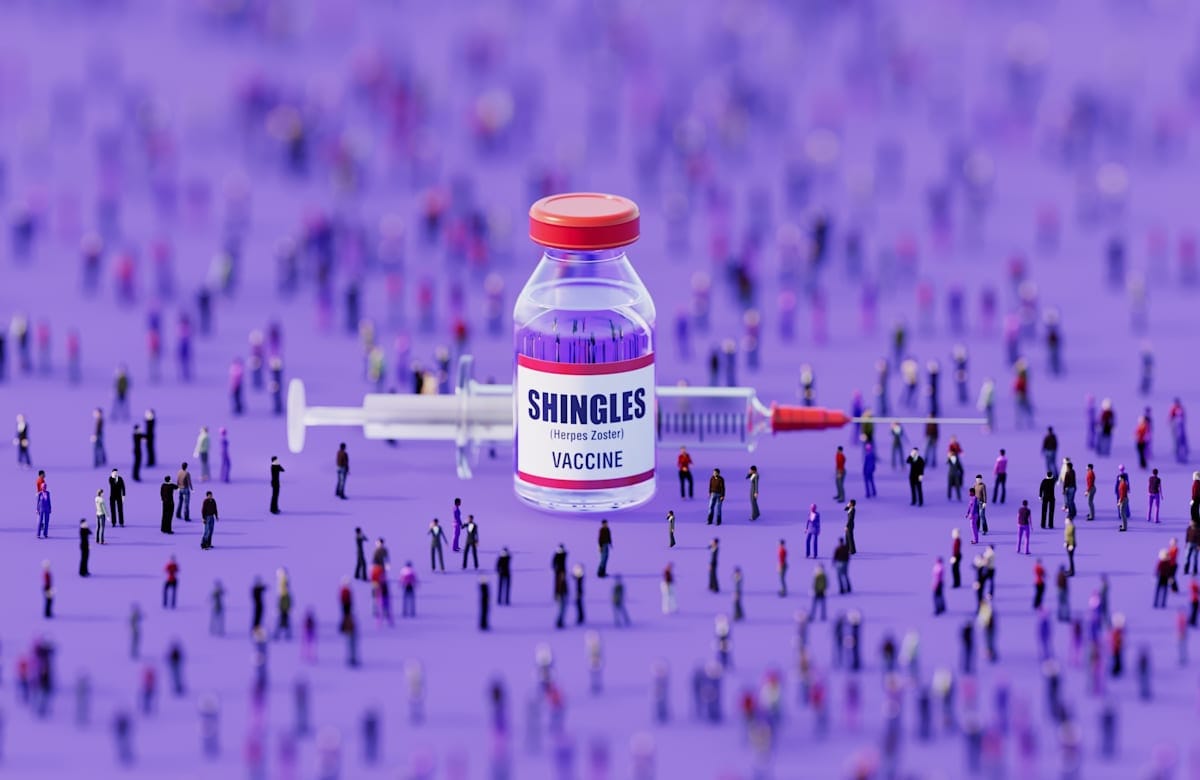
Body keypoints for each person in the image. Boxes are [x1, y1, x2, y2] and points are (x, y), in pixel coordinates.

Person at [1116, 466, 1131, 531]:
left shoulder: (1122, 485)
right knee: (1123, 512)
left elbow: (1122, 494)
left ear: (1122, 478)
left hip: (1123, 499)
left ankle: (1124, 527)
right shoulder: (1122, 483)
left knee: (1122, 513)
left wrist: (1120, 501)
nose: (1119, 478)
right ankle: (1123, 525)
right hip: (1124, 498)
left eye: (1120, 478)